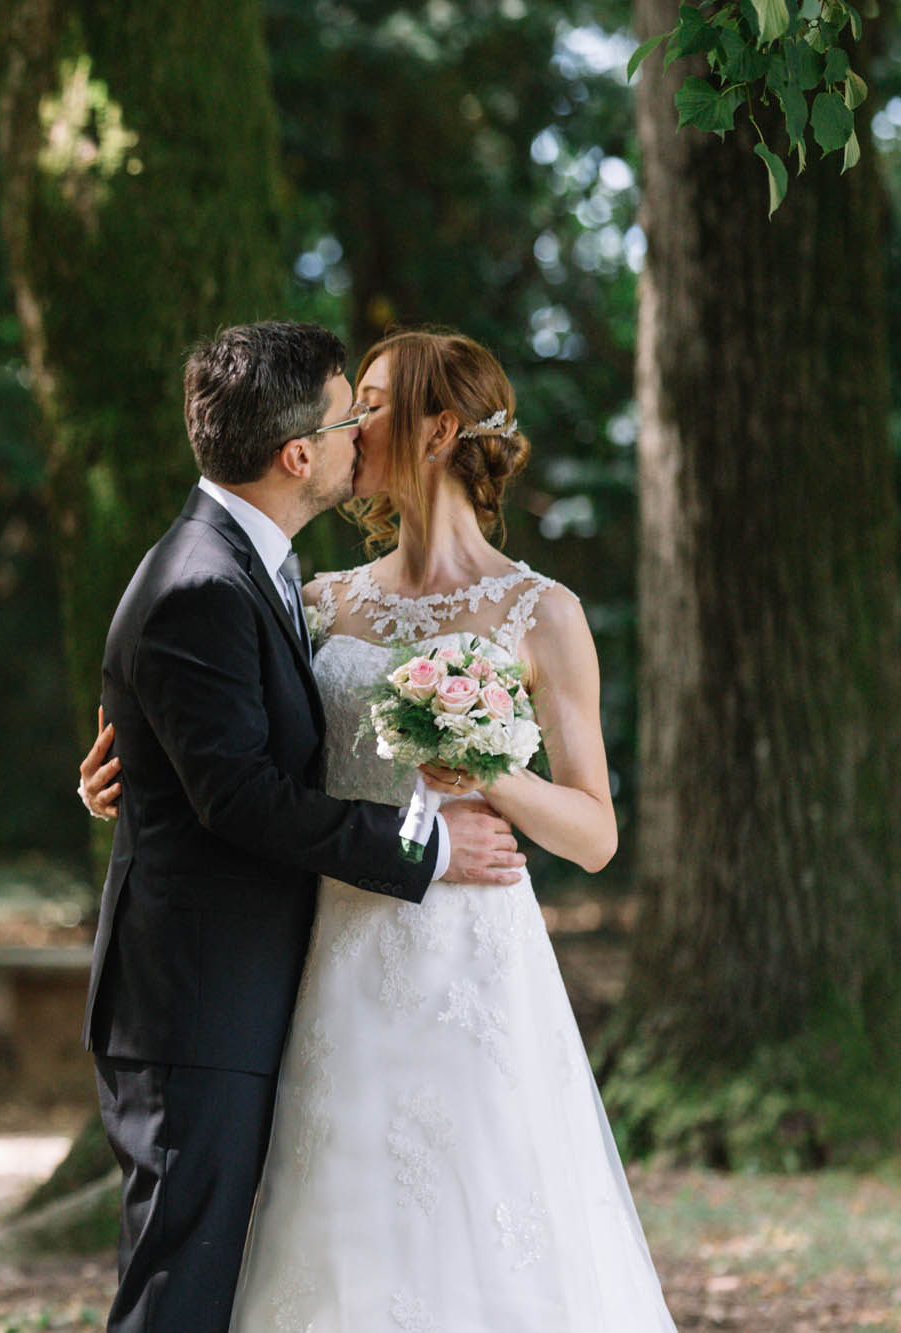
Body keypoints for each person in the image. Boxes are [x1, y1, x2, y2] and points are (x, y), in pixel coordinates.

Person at [79, 326, 676, 1330]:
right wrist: (126, 777)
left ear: (439, 429)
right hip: (332, 956)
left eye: (373, 402)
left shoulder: (541, 613)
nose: (353, 421)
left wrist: (497, 775)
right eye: (343, 403)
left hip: (473, 956)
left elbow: (593, 834)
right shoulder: (315, 602)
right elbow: (225, 747)